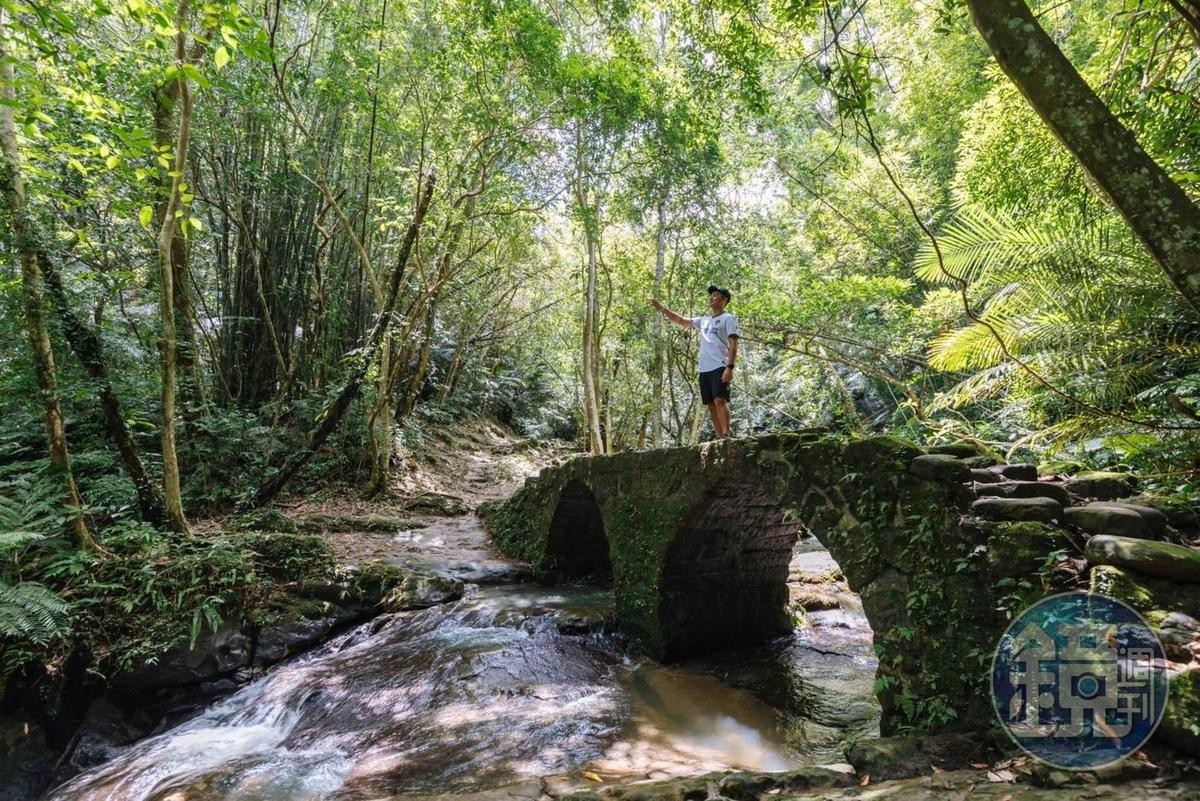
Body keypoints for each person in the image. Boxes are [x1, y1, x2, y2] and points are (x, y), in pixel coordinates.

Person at [649, 285, 739, 439]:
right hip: (704, 369)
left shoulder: (728, 319)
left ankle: (726, 434)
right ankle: (719, 437)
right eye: (710, 295)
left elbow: (734, 343)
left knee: (720, 400)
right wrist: (662, 309)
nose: (711, 298)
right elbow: (681, 320)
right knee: (710, 404)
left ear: (724, 300)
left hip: (720, 365)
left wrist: (730, 367)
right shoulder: (703, 321)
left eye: (715, 295)